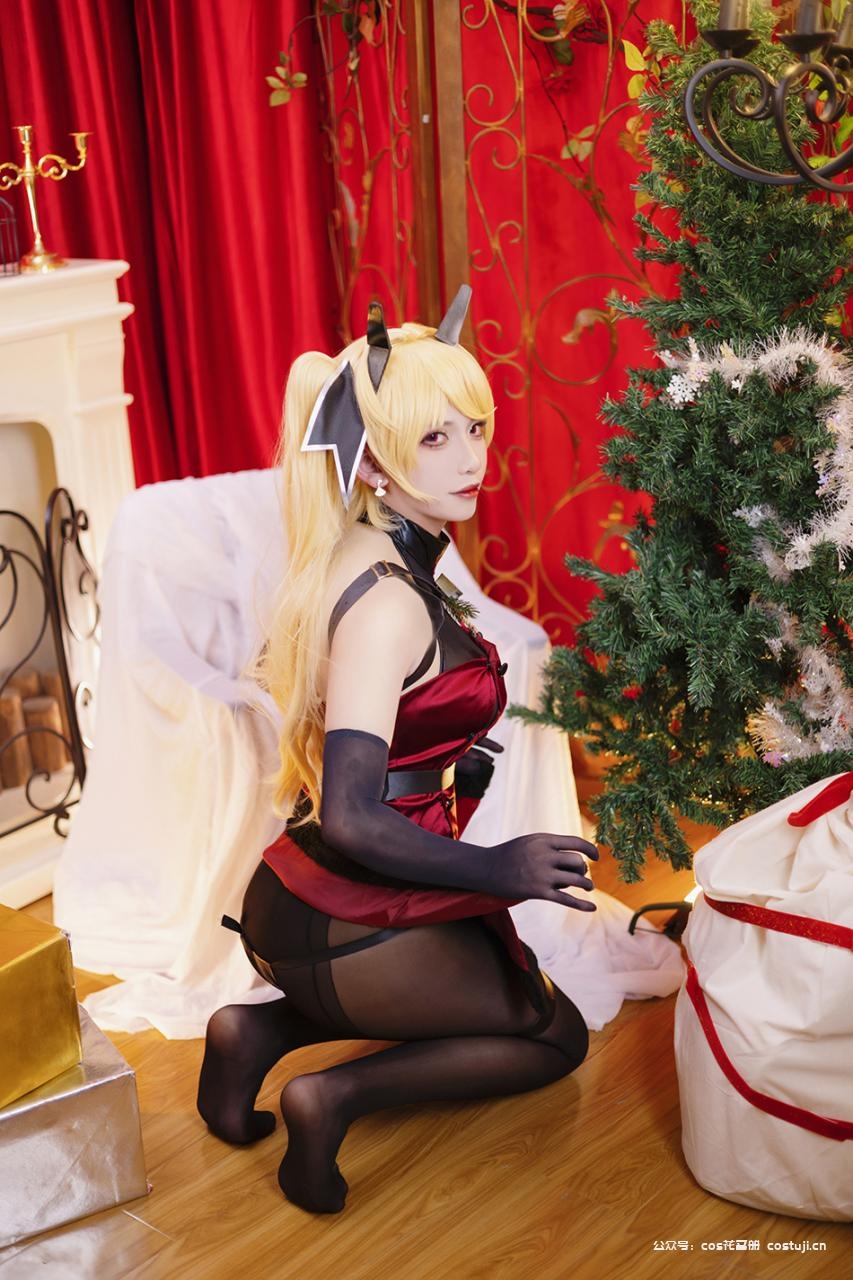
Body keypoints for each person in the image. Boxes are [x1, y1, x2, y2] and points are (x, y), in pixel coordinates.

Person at [196, 288, 599, 1214]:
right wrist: (497, 867)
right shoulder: (384, 599)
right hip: (349, 923)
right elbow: (351, 814)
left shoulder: (367, 546)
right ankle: (331, 1096)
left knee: (520, 997)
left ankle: (252, 1037)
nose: (472, 459)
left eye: (475, 428)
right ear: (373, 461)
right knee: (554, 1036)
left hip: (306, 898)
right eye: (434, 438)